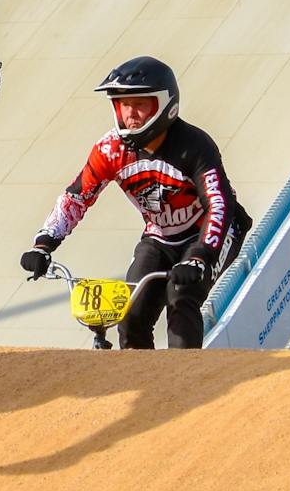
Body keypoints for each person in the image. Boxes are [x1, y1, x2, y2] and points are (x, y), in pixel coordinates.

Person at [19, 57, 251, 349]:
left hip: (209, 233)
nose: (131, 114)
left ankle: (187, 381)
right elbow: (76, 197)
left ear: (166, 106)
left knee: (182, 296)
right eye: (123, 105)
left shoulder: (195, 145)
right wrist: (43, 243)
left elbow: (219, 204)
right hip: (159, 236)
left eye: (140, 104)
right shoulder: (109, 149)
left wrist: (200, 256)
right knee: (129, 313)